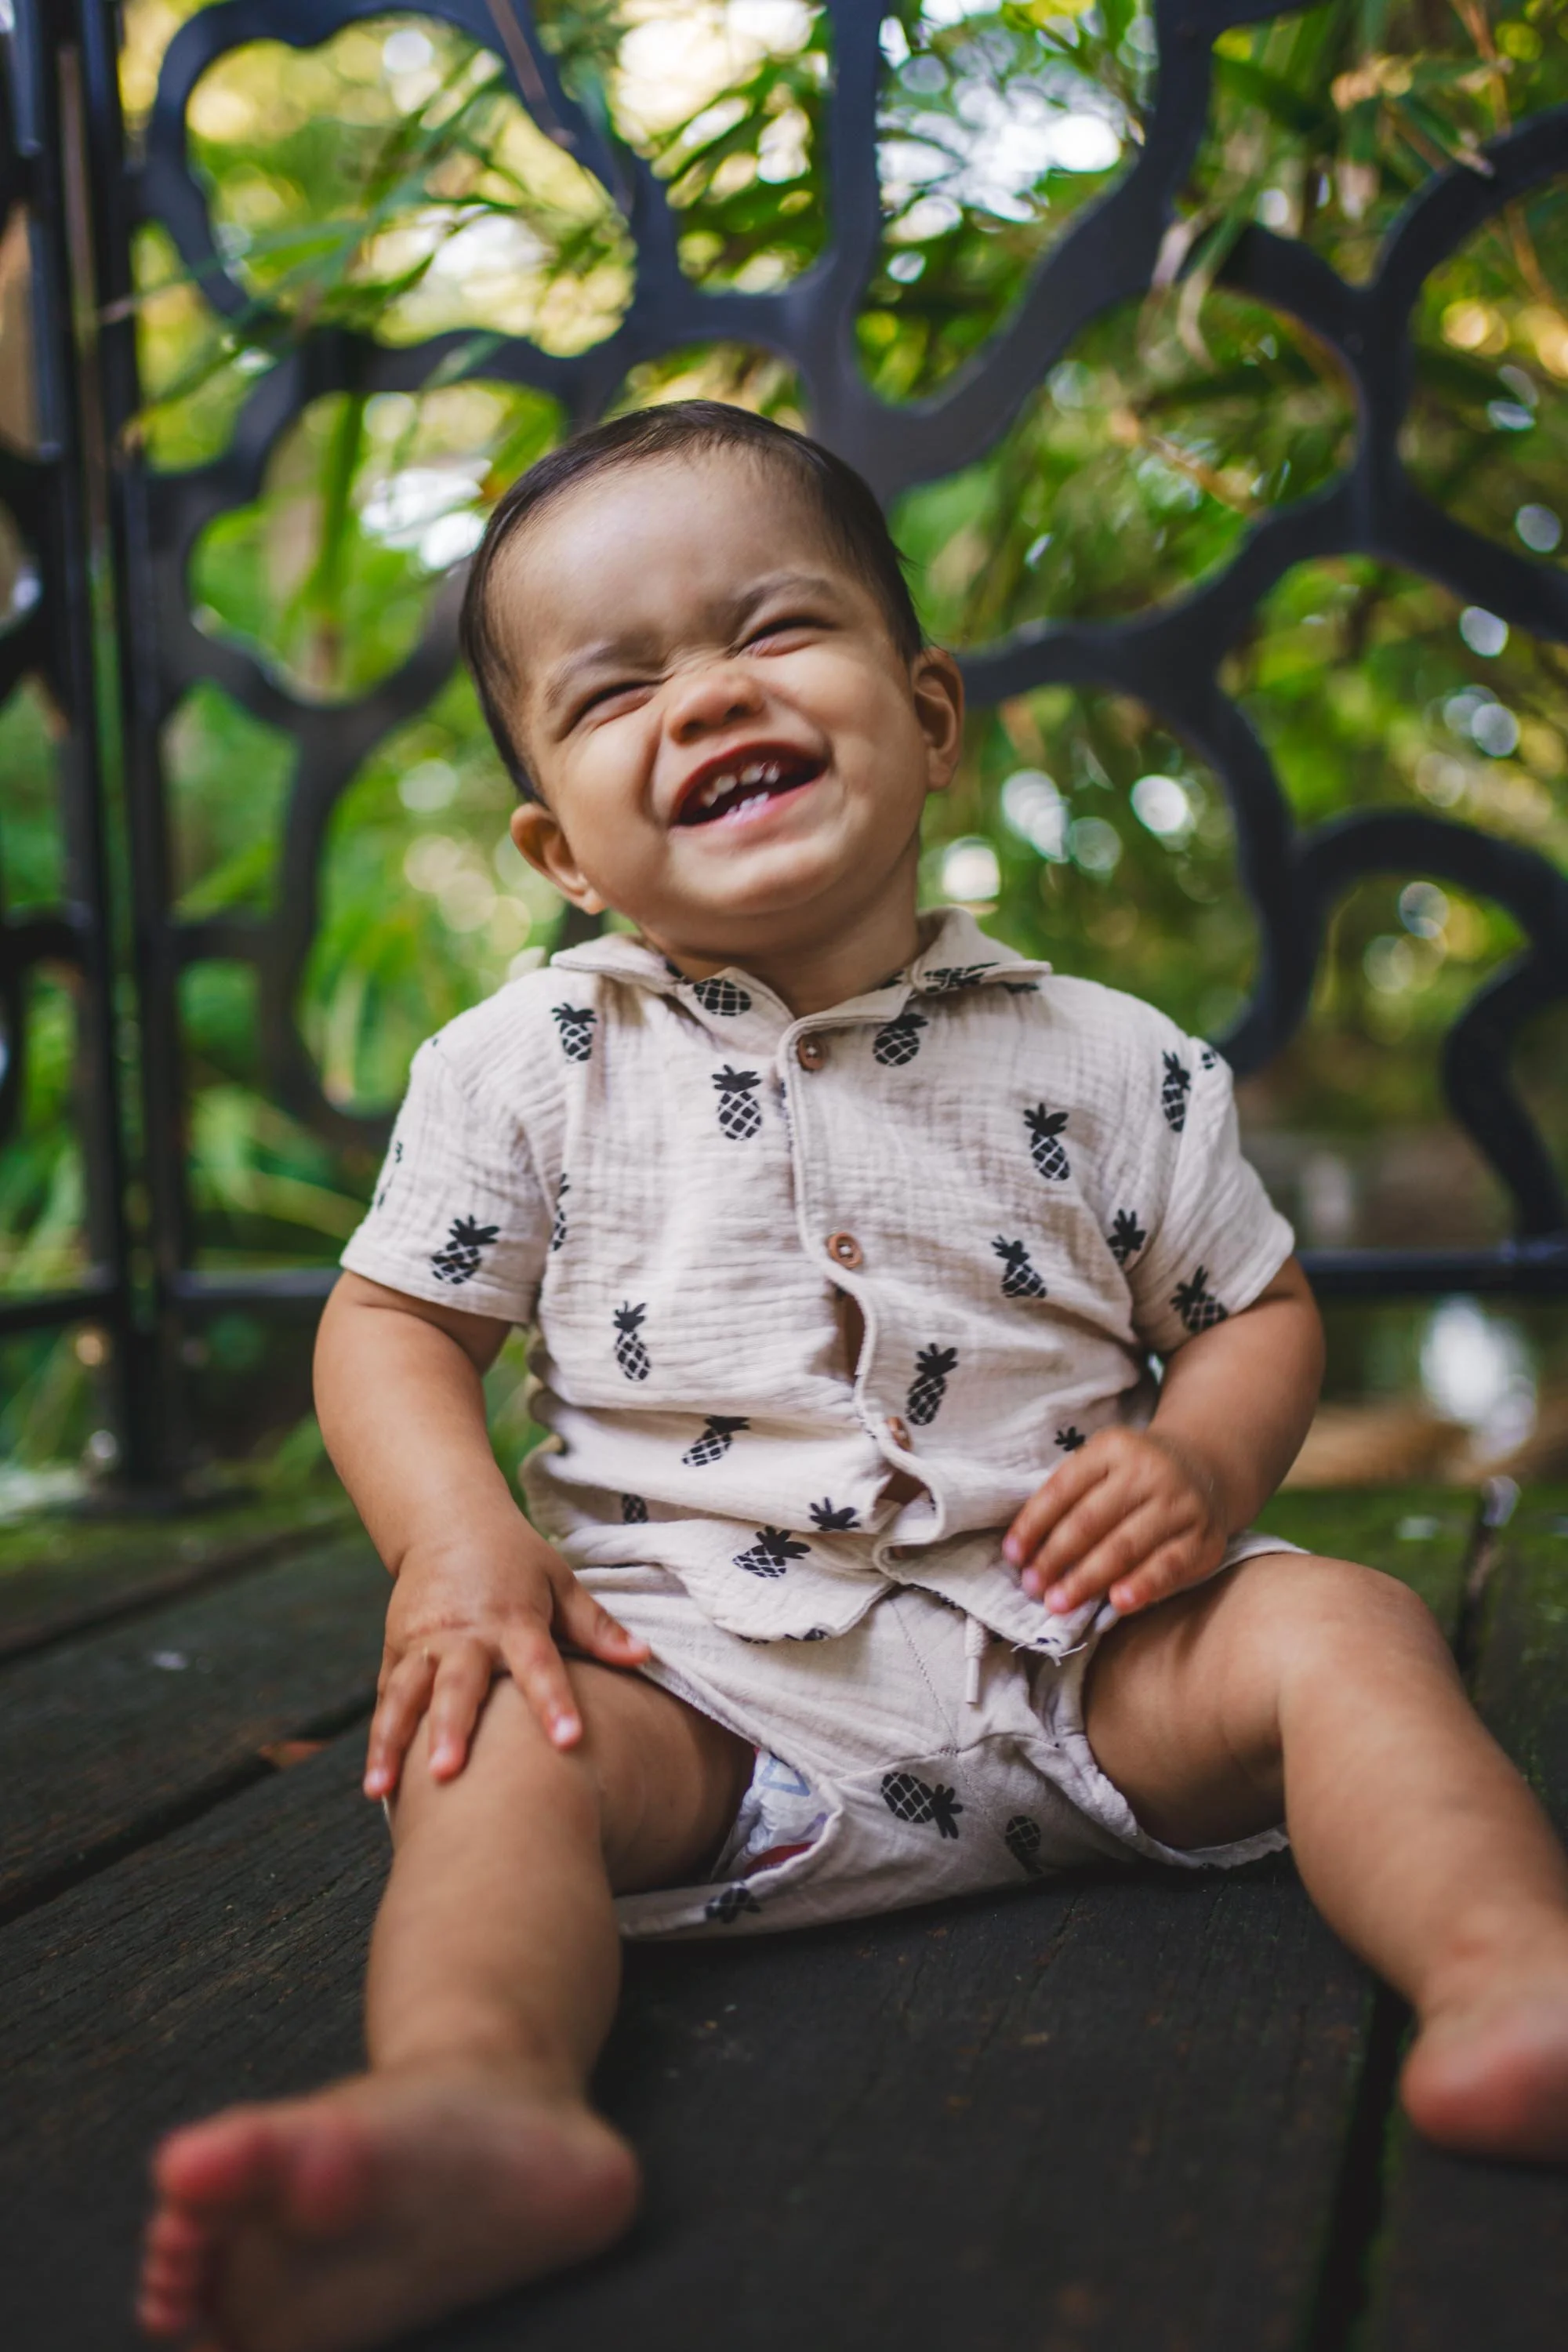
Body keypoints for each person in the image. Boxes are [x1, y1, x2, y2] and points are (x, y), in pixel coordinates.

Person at [138, 403, 1568, 2352]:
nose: (707, 693)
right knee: (488, 1753)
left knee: (1350, 1632)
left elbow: (1251, 1309)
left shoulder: (1108, 1059)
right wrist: (456, 1550)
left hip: (1092, 1656)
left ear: (928, 709)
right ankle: (478, 2099)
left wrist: (1212, 1474)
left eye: (769, 628)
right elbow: (394, 1323)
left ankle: (1509, 1977)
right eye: (619, 682)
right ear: (560, 846)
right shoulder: (524, 1070)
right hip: (706, 1706)